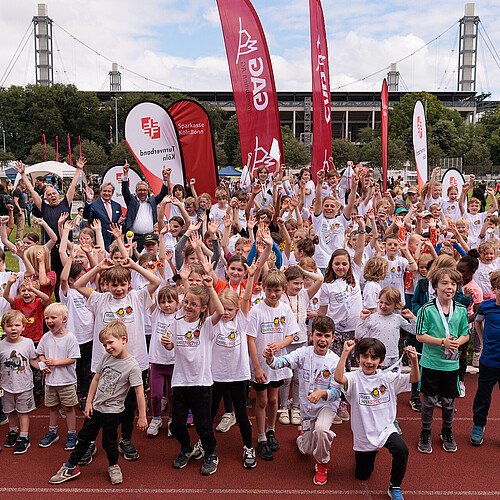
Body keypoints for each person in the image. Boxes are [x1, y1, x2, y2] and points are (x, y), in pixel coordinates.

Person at [74, 257, 161, 461]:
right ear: (106, 285)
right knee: (99, 403)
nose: (119, 288)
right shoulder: (99, 299)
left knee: (129, 404)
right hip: (104, 364)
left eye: (123, 284)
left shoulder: (137, 297)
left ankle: (126, 439)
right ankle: (91, 441)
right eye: (114, 284)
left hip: (133, 362)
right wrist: (97, 267)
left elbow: (155, 282)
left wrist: (133, 265)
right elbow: (77, 284)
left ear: (129, 283)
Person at [48, 321, 147, 485]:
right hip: (95, 409)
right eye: (104, 344)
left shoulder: (132, 366)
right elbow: (96, 379)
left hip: (113, 412)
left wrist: (142, 416)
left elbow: (139, 392)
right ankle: (70, 466)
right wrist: (89, 402)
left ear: (123, 339)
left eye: (110, 342)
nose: (107, 347)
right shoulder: (107, 358)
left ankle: (113, 465)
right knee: (84, 438)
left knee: (109, 442)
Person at [334, 338, 419, 500]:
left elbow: (413, 379)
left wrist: (414, 361)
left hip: (386, 429)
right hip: (364, 434)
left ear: (381, 361)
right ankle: (369, 453)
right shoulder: (353, 378)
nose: (369, 361)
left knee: (402, 449)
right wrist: (345, 352)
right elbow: (338, 378)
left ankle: (395, 486)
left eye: (374, 358)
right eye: (365, 357)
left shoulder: (388, 378)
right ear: (358, 358)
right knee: (362, 475)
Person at [264, 316, 342, 486]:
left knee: (321, 431)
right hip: (307, 408)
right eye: (319, 335)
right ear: (311, 335)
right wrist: (270, 359)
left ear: (333, 338)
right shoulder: (303, 353)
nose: (322, 340)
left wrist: (322, 393)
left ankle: (322, 464)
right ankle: (302, 437)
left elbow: (337, 393)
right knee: (306, 449)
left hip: (326, 406)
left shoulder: (335, 361)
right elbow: (283, 362)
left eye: (327, 336)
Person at [163, 276, 224, 476]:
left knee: (203, 425)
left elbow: (221, 311)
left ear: (203, 308)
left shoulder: (206, 326)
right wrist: (168, 344)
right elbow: (171, 345)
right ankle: (187, 447)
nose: (188, 306)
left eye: (194, 304)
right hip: (180, 382)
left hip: (201, 383)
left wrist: (210, 287)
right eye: (186, 302)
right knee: (176, 424)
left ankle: (210, 452)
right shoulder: (176, 322)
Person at [246, 269, 300, 461]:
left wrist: (280, 345)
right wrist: (257, 367)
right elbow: (251, 340)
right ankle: (260, 438)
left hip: (277, 365)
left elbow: (291, 335)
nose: (273, 294)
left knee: (274, 400)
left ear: (283, 290)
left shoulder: (285, 309)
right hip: (261, 366)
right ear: (263, 289)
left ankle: (271, 430)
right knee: (261, 401)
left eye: (277, 290)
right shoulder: (256, 311)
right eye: (269, 290)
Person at [416, 268, 470, 454]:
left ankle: (446, 431)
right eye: (445, 283)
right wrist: (442, 342)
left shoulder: (461, 310)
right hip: (431, 364)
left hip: (451, 365)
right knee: (429, 401)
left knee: (448, 402)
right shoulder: (426, 310)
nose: (450, 287)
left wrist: (456, 343)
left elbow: (465, 334)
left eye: (453, 284)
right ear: (436, 286)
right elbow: (420, 335)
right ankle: (425, 432)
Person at [36, 303, 81, 451]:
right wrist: (44, 363)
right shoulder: (46, 337)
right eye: (47, 318)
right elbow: (40, 354)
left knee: (68, 408)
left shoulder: (70, 338)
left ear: (64, 319)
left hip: (67, 381)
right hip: (50, 382)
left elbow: (73, 358)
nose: (49, 321)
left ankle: (71, 434)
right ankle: (52, 431)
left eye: (53, 317)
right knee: (53, 407)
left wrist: (55, 362)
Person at [0, 311, 40, 455]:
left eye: (17, 325)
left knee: (23, 412)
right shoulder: (1, 345)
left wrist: (42, 367)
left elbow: (33, 360)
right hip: (7, 386)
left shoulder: (28, 343)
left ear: (23, 327)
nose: (13, 328)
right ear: (3, 328)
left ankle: (24, 436)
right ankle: (12, 431)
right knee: (10, 411)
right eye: (9, 325)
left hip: (24, 386)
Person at [470, 270, 500, 446]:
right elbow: (477, 322)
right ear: (494, 289)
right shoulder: (486, 307)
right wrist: (481, 342)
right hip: (489, 361)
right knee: (483, 395)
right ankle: (478, 425)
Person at [357, 286, 416, 369]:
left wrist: (412, 318)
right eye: (381, 302)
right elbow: (358, 335)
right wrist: (362, 319)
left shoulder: (397, 318)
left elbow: (415, 330)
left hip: (393, 358)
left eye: (387, 304)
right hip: (375, 358)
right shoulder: (372, 318)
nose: (383, 306)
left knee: (392, 380)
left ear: (395, 304)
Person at [147, 285, 178, 437]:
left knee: (173, 395)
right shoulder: (156, 314)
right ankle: (156, 418)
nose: (166, 305)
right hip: (157, 362)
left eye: (170, 301)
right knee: (156, 395)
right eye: (163, 302)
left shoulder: (180, 316)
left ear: (177, 303)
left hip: (174, 363)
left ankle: (172, 419)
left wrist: (184, 280)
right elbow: (151, 291)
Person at [121, 160, 170, 252]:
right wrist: (125, 174)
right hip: (134, 238)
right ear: (136, 192)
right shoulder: (131, 201)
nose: (142, 192)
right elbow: (125, 191)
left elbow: (163, 193)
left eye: (144, 190)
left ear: (148, 191)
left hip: (150, 237)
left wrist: (165, 179)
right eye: (140, 190)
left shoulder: (152, 201)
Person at [83, 182, 122, 251]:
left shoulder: (117, 206)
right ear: (101, 192)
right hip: (99, 238)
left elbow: (118, 221)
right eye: (104, 191)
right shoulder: (94, 204)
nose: (107, 193)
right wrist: (89, 200)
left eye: (109, 191)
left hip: (114, 240)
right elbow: (86, 216)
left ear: (112, 193)